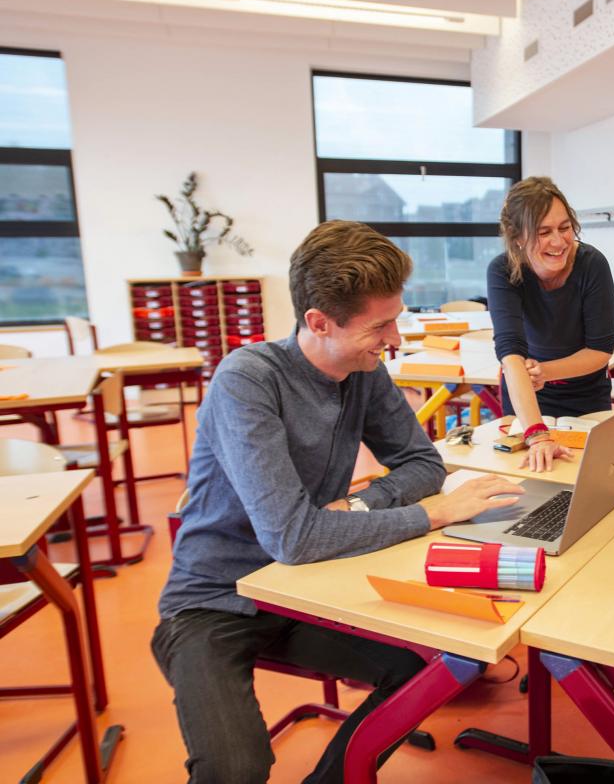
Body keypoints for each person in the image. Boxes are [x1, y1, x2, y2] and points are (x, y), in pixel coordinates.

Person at [152, 221, 524, 784]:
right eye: (380, 325)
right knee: (234, 770)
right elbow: (294, 538)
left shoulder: (362, 368)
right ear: (319, 323)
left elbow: (423, 465)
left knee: (432, 671)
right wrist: (433, 513)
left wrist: (360, 508)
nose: (395, 338)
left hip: (306, 590)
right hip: (213, 601)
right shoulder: (247, 381)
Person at [487, 176, 614, 472]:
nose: (558, 242)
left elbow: (600, 349)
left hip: (585, 393)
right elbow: (510, 353)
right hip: (525, 393)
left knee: (587, 476)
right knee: (526, 476)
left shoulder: (591, 264)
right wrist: (536, 433)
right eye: (543, 232)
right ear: (517, 237)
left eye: (564, 228)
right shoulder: (503, 270)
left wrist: (544, 371)